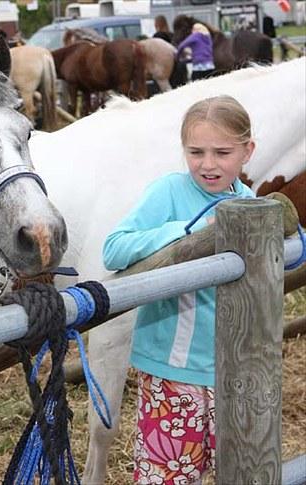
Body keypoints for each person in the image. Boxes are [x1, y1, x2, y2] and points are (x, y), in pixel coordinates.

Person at [102, 95, 256, 485]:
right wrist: (184, 233)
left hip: (234, 370)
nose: (208, 164)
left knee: (241, 471)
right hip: (172, 374)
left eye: (222, 152)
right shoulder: (170, 192)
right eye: (196, 152)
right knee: (169, 477)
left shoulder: (250, 203)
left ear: (247, 151)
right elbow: (114, 247)